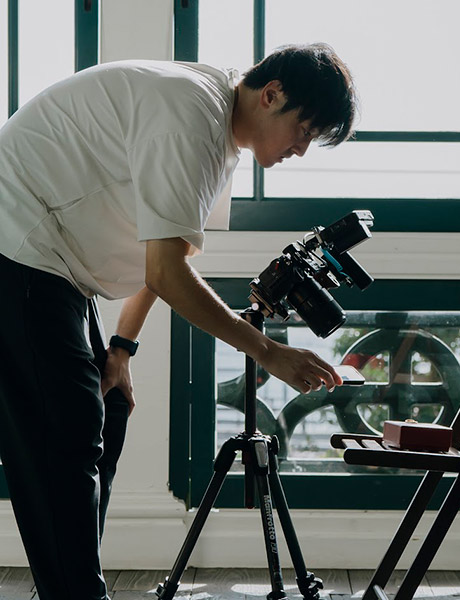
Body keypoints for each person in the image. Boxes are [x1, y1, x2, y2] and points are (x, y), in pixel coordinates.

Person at [0, 43, 357, 600]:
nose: (302, 149)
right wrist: (268, 352)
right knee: (64, 434)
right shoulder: (189, 115)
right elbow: (166, 273)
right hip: (17, 246)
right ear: (271, 95)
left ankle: (72, 582)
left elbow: (167, 256)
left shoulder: (219, 139)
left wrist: (122, 349)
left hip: (54, 266)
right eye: (304, 131)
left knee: (108, 406)